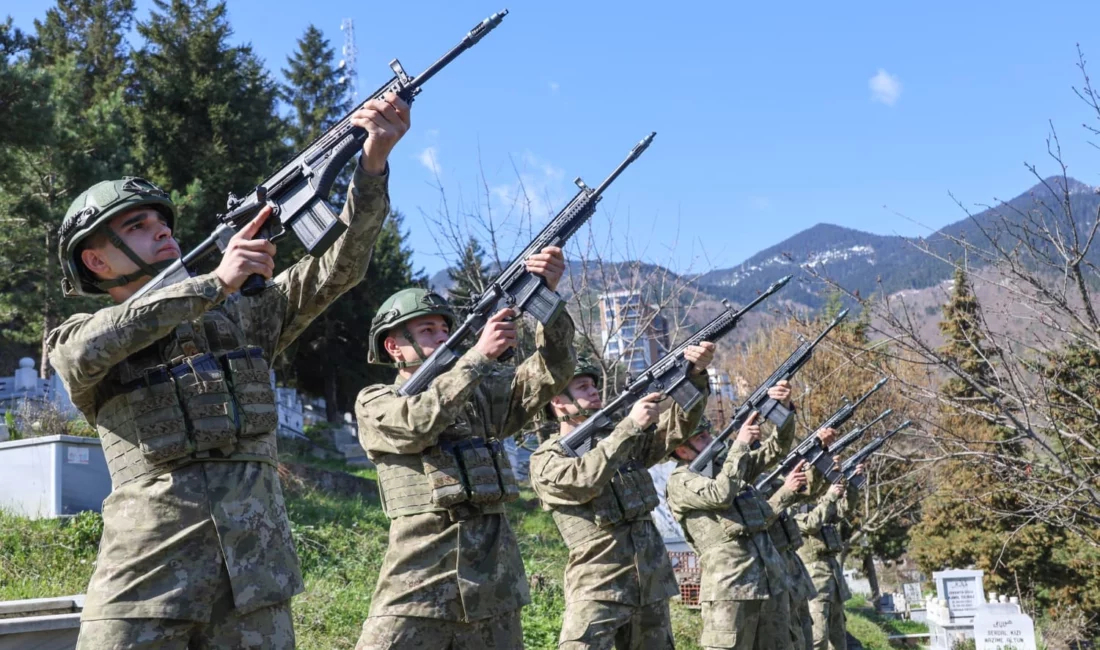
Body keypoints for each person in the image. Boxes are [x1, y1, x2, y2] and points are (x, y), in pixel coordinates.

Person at [47, 93, 410, 648]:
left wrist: (372, 165)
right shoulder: (78, 335)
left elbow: (340, 267)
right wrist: (213, 281)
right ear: (97, 260)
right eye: (140, 225)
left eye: (162, 220)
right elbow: (86, 352)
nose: (163, 230)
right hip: (146, 584)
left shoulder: (245, 312)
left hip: (253, 584)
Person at [353, 251, 574, 649]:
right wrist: (477, 358)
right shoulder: (375, 401)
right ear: (393, 347)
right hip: (418, 587)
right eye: (427, 330)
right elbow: (416, 424)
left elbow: (553, 370)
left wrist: (547, 302)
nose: (441, 336)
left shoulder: (484, 396)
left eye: (444, 328)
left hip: (494, 591)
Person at [528, 346, 714, 649]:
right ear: (558, 401)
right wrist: (630, 425)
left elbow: (678, 428)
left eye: (593, 384)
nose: (594, 391)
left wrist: (693, 376)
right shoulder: (547, 459)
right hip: (599, 586)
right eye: (583, 386)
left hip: (650, 583)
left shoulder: (621, 441)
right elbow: (584, 479)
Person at [667, 381, 827, 650]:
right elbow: (720, 494)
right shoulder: (681, 481)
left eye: (709, 434)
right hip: (730, 590)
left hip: (769, 582)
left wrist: (783, 411)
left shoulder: (727, 466)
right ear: (682, 450)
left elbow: (775, 450)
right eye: (701, 438)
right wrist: (740, 444)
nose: (711, 441)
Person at [795, 465, 863, 650]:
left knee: (839, 636)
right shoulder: (793, 506)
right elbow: (811, 524)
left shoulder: (820, 504)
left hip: (832, 577)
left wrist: (852, 485)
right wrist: (830, 496)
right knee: (818, 637)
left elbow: (844, 510)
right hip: (814, 581)